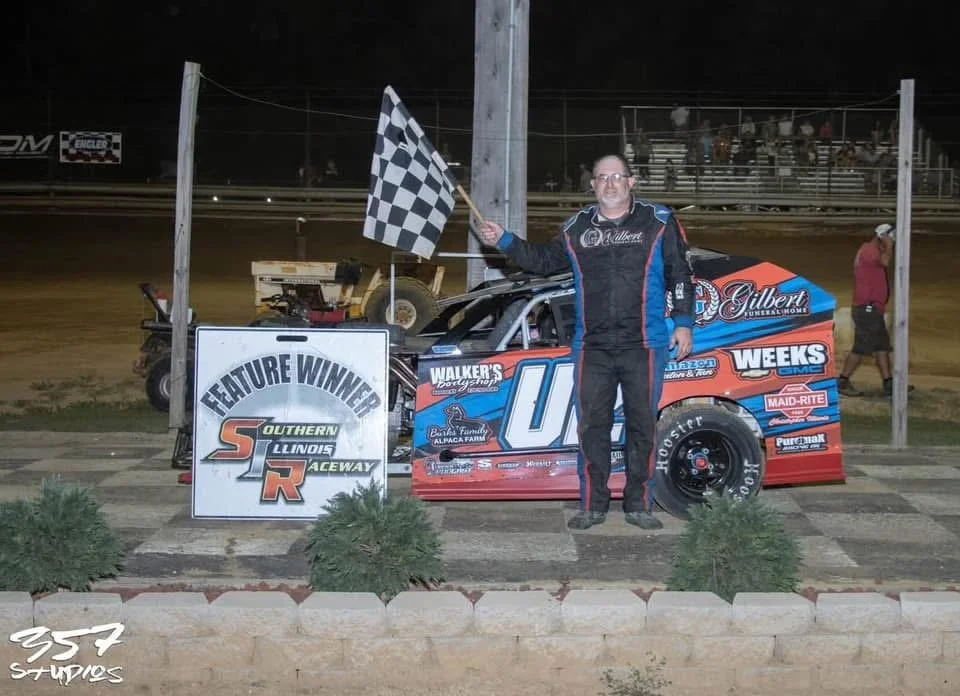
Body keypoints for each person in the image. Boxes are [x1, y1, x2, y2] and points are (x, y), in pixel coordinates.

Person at [478, 154, 694, 531]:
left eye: (617, 177)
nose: (610, 184)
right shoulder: (576, 227)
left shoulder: (659, 221)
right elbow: (543, 261)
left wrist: (684, 323)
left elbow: (680, 273)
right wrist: (506, 241)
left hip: (645, 343)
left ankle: (638, 504)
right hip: (591, 347)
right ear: (592, 186)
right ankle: (593, 504)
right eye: (602, 178)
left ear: (632, 182)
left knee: (642, 426)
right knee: (592, 425)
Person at [838, 223, 895, 397]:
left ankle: (889, 384)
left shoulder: (868, 249)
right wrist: (889, 246)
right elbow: (885, 261)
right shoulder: (870, 251)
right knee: (861, 348)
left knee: (882, 347)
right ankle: (842, 381)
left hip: (870, 308)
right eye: (889, 238)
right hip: (867, 308)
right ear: (882, 237)